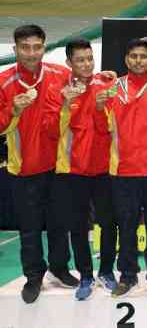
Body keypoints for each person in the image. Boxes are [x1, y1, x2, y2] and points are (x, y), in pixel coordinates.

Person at [94, 38, 147, 297]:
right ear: (126, 59)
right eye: (133, 56)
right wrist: (98, 107)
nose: (138, 60)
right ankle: (128, 276)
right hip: (123, 171)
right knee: (127, 227)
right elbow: (101, 128)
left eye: (143, 56)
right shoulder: (113, 87)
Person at [0, 24, 75, 303]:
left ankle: (60, 268)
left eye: (37, 47)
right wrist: (14, 109)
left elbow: (85, 89)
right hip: (24, 168)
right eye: (25, 47)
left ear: (44, 47)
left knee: (59, 223)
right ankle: (33, 276)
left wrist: (104, 77)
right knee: (29, 227)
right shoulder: (4, 81)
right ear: (15, 49)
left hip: (58, 165)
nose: (31, 53)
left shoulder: (61, 75)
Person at [41, 39, 118, 300]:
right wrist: (65, 104)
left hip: (104, 169)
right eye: (80, 60)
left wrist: (99, 107)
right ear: (69, 63)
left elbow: (109, 127)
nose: (86, 64)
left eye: (89, 59)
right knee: (77, 226)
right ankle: (85, 275)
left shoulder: (105, 85)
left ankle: (107, 271)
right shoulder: (58, 90)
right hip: (72, 170)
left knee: (108, 223)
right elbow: (51, 131)